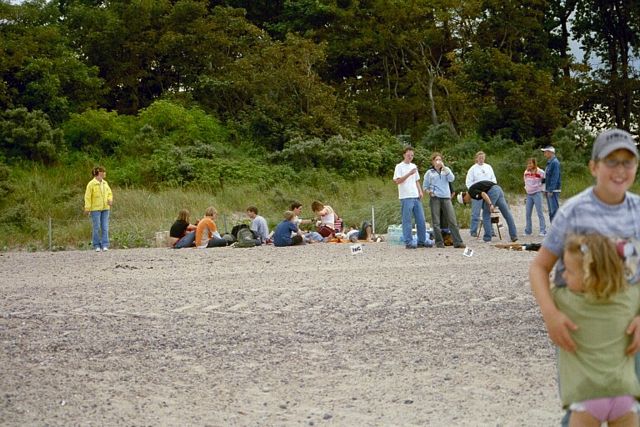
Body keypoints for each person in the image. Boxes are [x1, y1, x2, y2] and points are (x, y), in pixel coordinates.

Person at [529, 128, 640, 426]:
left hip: (627, 329)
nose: (620, 169)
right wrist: (551, 315)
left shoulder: (638, 211)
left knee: (630, 402)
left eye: (628, 162)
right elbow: (539, 267)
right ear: (593, 167)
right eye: (611, 161)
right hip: (582, 327)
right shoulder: (573, 212)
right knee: (584, 403)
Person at [553, 233, 640, 426]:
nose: (564, 275)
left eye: (569, 271)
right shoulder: (629, 298)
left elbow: (547, 281)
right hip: (625, 395)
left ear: (587, 275)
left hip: (588, 395)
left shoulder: (566, 301)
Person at [423, 152, 465, 249]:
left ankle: (458, 242)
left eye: (440, 159)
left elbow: (452, 179)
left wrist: (444, 168)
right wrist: (429, 192)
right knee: (436, 222)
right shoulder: (429, 172)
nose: (438, 161)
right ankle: (439, 242)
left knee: (452, 220)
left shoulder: (446, 170)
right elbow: (425, 186)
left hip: (446, 197)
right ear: (433, 161)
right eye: (436, 160)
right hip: (435, 198)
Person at [393, 146, 428, 249]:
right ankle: (408, 241)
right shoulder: (399, 166)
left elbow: (416, 180)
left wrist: (420, 191)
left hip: (415, 196)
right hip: (406, 196)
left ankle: (422, 240)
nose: (410, 157)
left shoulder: (414, 166)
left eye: (412, 155)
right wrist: (409, 173)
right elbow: (397, 181)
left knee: (421, 219)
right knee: (407, 220)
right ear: (404, 155)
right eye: (408, 155)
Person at [465, 151, 497, 238]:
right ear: (476, 158)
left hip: (488, 192)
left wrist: (492, 189)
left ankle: (490, 231)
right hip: (477, 193)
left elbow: (493, 179)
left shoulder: (488, 167)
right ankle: (473, 231)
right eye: (480, 158)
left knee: (488, 211)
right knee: (475, 213)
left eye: (483, 158)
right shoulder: (472, 169)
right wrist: (473, 191)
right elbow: (468, 182)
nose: (481, 159)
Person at [84, 166, 113, 252]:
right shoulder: (91, 184)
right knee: (96, 227)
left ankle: (105, 244)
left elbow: (109, 193)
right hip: (95, 209)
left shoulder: (105, 183)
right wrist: (87, 208)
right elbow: (87, 197)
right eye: (102, 172)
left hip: (105, 208)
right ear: (97, 173)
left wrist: (110, 199)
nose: (104, 173)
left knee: (105, 227)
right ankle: (96, 245)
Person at [523, 158, 547, 237]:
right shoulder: (526, 172)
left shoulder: (540, 172)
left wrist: (543, 190)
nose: (529, 165)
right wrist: (526, 188)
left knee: (539, 212)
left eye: (531, 163)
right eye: (528, 163)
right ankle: (528, 231)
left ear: (534, 164)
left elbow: (545, 181)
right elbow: (525, 181)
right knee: (528, 213)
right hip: (529, 194)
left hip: (537, 193)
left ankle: (543, 230)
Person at [542, 145, 562, 223]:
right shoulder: (549, 162)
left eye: (545, 152)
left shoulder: (555, 162)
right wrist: (545, 189)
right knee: (551, 211)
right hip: (549, 189)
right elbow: (546, 177)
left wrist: (550, 190)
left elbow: (555, 177)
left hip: (553, 190)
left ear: (550, 152)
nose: (544, 154)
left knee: (554, 211)